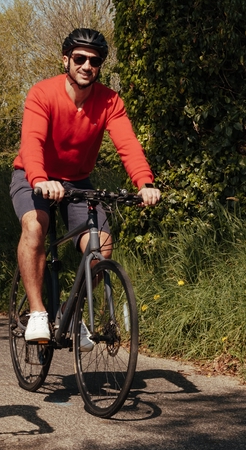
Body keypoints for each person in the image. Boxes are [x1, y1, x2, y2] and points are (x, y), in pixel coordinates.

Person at [12, 28, 160, 344]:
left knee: (100, 247)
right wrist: (39, 179)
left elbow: (128, 145)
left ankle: (70, 311)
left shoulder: (110, 101)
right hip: (33, 175)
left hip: (77, 181)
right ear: (66, 59)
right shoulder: (42, 93)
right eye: (79, 58)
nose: (86, 66)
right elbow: (33, 142)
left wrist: (144, 182)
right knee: (35, 227)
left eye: (94, 61)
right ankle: (38, 312)